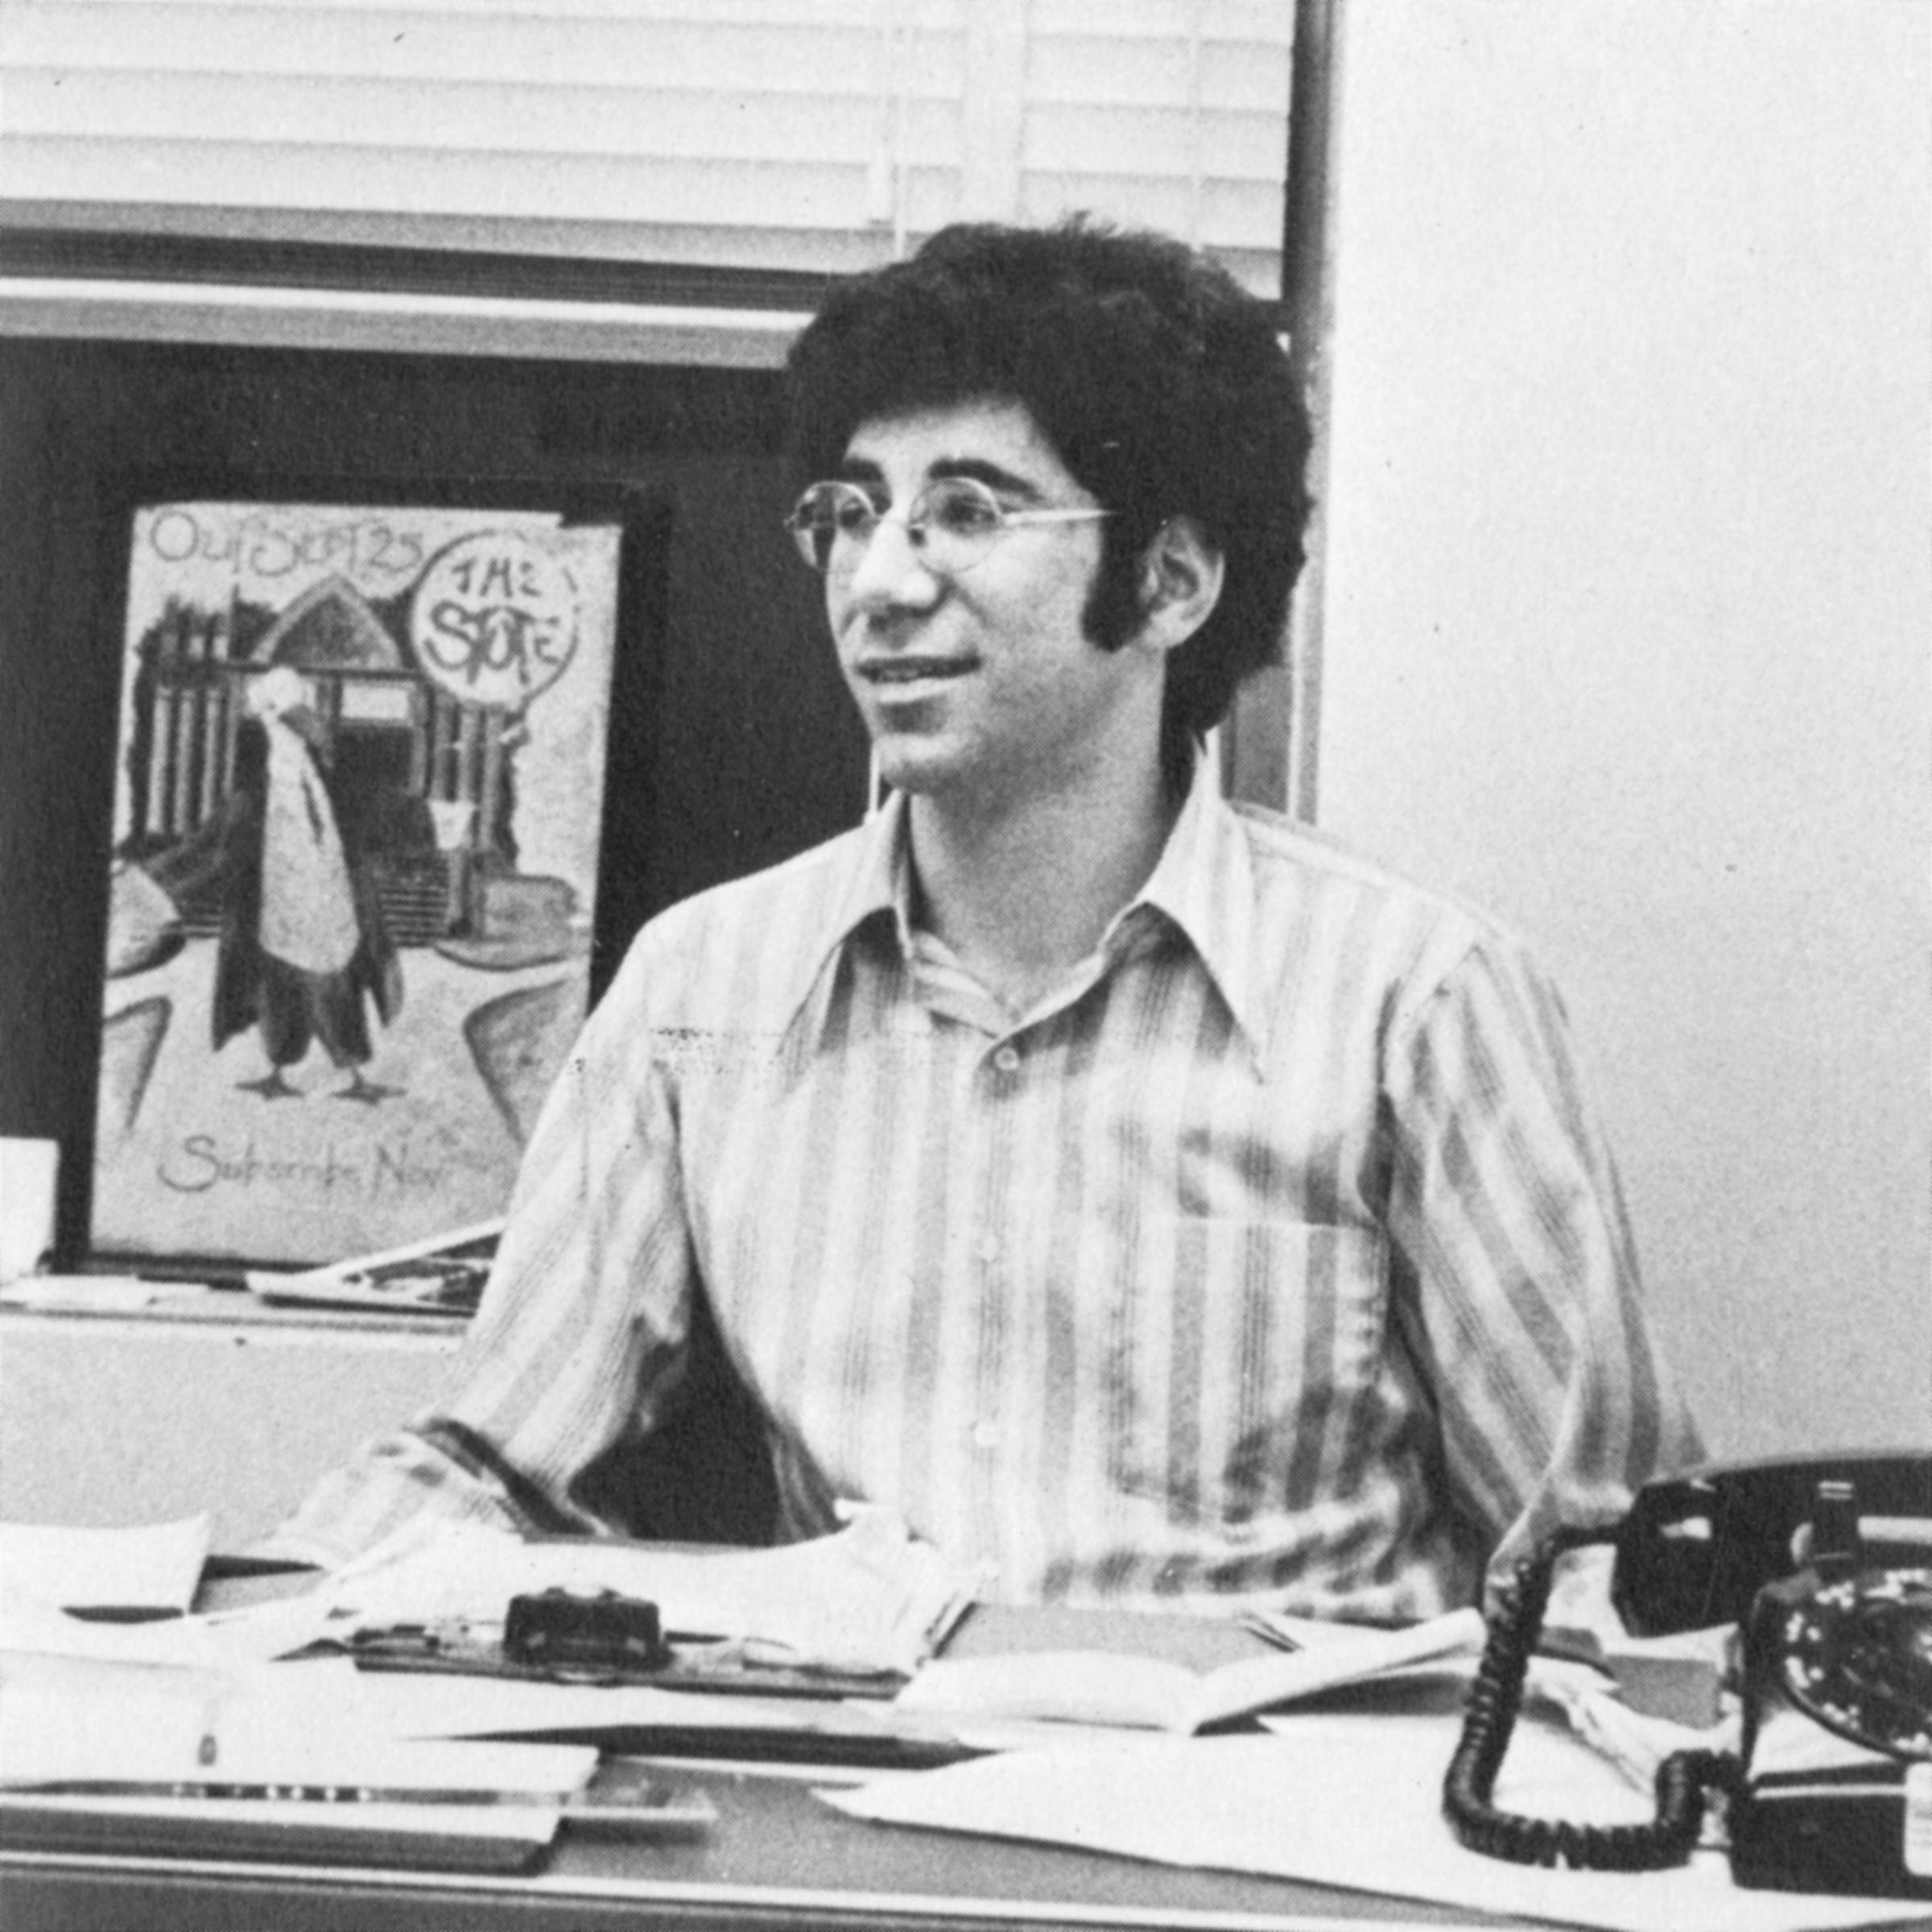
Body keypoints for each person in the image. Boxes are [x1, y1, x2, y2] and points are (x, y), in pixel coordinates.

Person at [262, 218, 1701, 1621]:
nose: (880, 580)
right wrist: (237, 1635)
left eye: (968, 511)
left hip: (1267, 1812)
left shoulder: (1419, 999)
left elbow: (1603, 1566)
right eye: (849, 513)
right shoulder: (705, 990)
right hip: (857, 1814)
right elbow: (494, 1462)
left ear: (1172, 580)